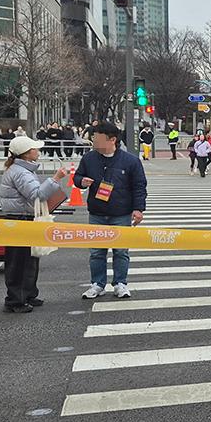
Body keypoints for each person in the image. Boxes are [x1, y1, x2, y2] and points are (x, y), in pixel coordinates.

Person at [75, 123, 147, 299]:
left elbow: (139, 186)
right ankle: (97, 284)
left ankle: (120, 283)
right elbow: (77, 176)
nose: (94, 142)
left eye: (98, 139)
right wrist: (80, 181)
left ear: (112, 139)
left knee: (120, 251)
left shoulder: (130, 161)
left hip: (121, 213)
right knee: (96, 252)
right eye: (93, 138)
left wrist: (138, 209)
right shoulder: (89, 159)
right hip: (97, 213)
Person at [0, 136, 68, 312]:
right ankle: (16, 300)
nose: (38, 151)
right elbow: (37, 195)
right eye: (35, 149)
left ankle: (27, 294)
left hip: (21, 218)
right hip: (19, 219)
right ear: (26, 153)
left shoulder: (22, 169)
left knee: (29, 259)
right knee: (19, 261)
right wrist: (55, 179)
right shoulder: (21, 172)